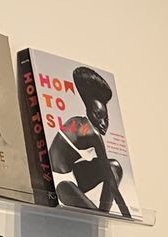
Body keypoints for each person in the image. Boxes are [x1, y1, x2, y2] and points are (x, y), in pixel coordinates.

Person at [47, 67, 131, 217]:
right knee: (95, 217)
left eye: (106, 118)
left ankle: (103, 213)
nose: (104, 123)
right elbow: (111, 182)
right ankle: (102, 216)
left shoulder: (76, 121)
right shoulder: (92, 133)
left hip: (71, 175)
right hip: (59, 184)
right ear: (88, 112)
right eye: (98, 116)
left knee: (115, 167)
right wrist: (126, 215)